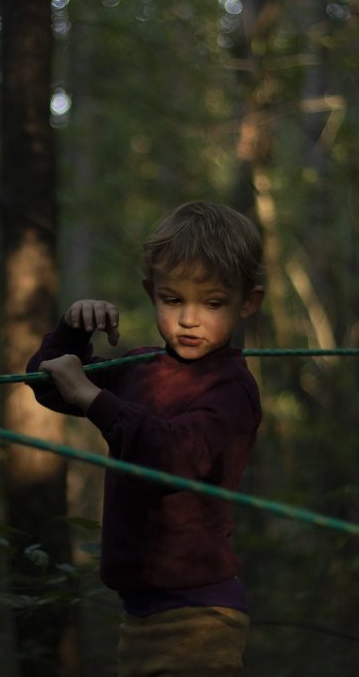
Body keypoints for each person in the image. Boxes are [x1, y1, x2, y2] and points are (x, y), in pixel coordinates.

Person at [27, 201, 265, 677]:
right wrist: (71, 334)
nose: (189, 319)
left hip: (199, 617)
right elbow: (48, 385)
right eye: (173, 299)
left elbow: (176, 454)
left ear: (247, 303)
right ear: (150, 292)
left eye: (212, 303)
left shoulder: (232, 389)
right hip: (139, 615)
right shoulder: (140, 368)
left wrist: (95, 400)